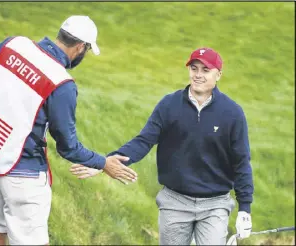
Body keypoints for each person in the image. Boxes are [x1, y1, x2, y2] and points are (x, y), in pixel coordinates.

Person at [0, 15, 138, 245]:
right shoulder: (62, 83)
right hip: (22, 173)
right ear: (80, 48)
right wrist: (104, 163)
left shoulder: (13, 45)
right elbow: (67, 146)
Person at [70, 47, 254, 245]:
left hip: (215, 204)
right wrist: (104, 162)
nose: (198, 75)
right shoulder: (169, 105)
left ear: (218, 75)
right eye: (194, 68)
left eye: (205, 70)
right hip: (175, 201)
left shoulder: (232, 113)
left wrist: (245, 208)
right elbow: (143, 141)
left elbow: (241, 162)